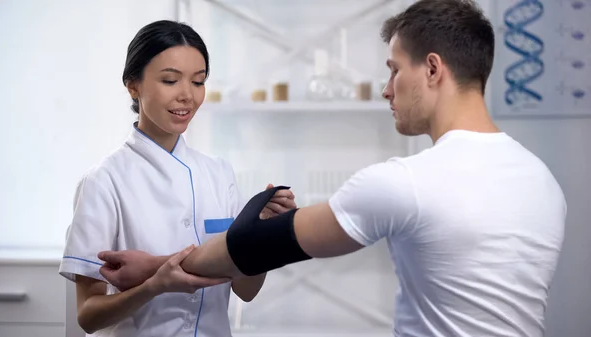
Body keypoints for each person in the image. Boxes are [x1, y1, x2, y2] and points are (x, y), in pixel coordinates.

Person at [98, 1, 567, 336]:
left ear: (432, 69)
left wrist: (155, 266)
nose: (386, 89)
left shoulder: (405, 183)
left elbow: (254, 246)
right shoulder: (542, 180)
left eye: (392, 70)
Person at [58, 20, 297, 337]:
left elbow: (246, 290)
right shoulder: (104, 181)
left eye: (198, 82)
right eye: (170, 80)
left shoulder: (218, 173)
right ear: (134, 85)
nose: (187, 95)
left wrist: (261, 233)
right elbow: (89, 316)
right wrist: (154, 286)